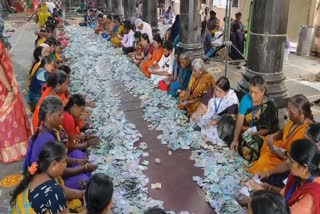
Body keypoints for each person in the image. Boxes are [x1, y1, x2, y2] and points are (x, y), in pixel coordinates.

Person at [24, 96, 97, 190]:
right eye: (60, 115)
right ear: (49, 116)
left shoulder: (48, 129)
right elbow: (59, 171)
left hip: (55, 169)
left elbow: (61, 159)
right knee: (84, 180)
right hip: (45, 181)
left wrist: (77, 161)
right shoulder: (47, 139)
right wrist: (84, 168)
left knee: (79, 156)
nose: (63, 117)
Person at [246, 139, 320, 214]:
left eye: (291, 161)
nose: (287, 162)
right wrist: (265, 187)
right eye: (287, 157)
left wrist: (258, 195)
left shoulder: (311, 196)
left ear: (305, 168)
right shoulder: (297, 177)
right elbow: (284, 195)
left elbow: (284, 211)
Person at [248, 94, 313, 174]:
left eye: (291, 112)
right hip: (280, 149)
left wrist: (277, 152)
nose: (288, 114)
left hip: (287, 160)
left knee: (263, 164)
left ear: (302, 114)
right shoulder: (294, 120)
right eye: (288, 110)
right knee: (266, 140)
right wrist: (273, 136)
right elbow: (283, 131)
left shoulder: (308, 132)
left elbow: (296, 161)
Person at [0, 12, 32, 163]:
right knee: (9, 119)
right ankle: (11, 151)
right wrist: (9, 88)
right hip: (3, 86)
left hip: (7, 79)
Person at [230, 75, 279, 162]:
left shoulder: (270, 106)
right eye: (250, 91)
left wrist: (253, 134)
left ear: (263, 91)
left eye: (256, 92)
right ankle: (239, 142)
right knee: (228, 121)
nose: (252, 95)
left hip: (261, 134)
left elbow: (267, 129)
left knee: (252, 145)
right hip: (246, 129)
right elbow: (240, 120)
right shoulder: (246, 99)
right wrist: (235, 139)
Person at [10, 141, 69, 214]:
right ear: (54, 164)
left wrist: (81, 193)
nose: (66, 165)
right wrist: (85, 209)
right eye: (64, 161)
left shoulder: (35, 173)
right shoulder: (53, 190)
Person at [257, 123, 320, 188]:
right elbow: (287, 163)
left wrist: (269, 188)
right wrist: (267, 173)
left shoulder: (313, 181)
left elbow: (293, 194)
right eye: (304, 138)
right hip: (290, 177)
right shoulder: (302, 147)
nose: (304, 142)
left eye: (308, 140)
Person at [193, 77, 239, 145]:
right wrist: (197, 113)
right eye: (216, 89)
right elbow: (203, 106)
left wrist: (216, 122)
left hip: (222, 124)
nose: (217, 93)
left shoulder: (232, 102)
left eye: (220, 91)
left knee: (215, 133)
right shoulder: (212, 91)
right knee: (197, 120)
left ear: (226, 92)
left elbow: (228, 120)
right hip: (210, 117)